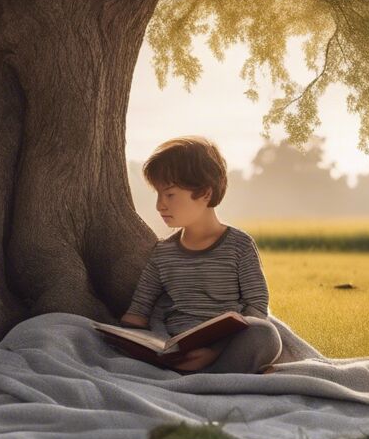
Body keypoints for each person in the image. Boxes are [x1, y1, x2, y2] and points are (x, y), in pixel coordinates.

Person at [117, 135, 283, 375]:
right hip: (178, 346)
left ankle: (208, 376)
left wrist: (214, 351)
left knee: (265, 334)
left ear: (205, 193)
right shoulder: (162, 253)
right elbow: (139, 311)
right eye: (158, 195)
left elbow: (257, 307)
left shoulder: (240, 245)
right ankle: (220, 378)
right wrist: (126, 335)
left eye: (170, 194)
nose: (160, 205)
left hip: (226, 345)